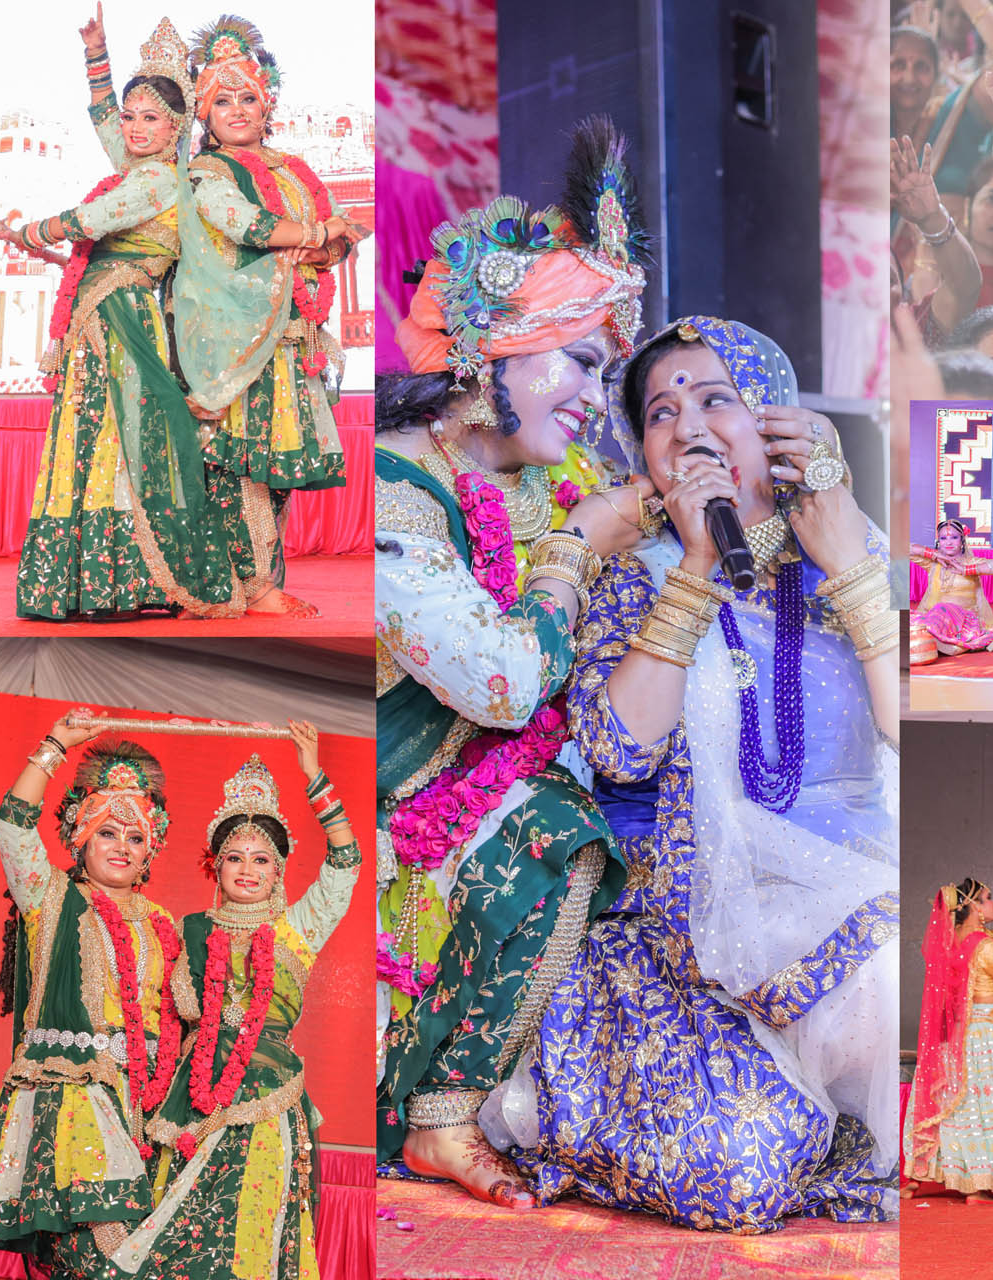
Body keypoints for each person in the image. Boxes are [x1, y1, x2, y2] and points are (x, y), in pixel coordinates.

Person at [492, 313, 900, 1231]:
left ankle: (838, 1126)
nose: (687, 427)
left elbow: (907, 731)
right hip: (679, 937)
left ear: (779, 423)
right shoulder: (634, 576)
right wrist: (699, 567)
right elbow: (619, 750)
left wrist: (849, 567)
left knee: (890, 987)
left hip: (844, 901)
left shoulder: (848, 548)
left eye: (716, 399)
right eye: (661, 413)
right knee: (736, 1171)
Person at [374, 123, 651, 1207]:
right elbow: (503, 682)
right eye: (581, 361)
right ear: (496, 348)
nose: (594, 396)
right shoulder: (396, 491)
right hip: (401, 805)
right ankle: (439, 1115)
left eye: (605, 372)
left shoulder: (540, 475)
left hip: (508, 776)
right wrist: (578, 548)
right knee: (558, 833)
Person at [0, 17, 342, 620]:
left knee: (138, 443)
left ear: (177, 126)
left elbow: (88, 219)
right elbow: (115, 139)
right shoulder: (183, 173)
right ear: (203, 115)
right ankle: (142, 581)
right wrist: (96, 57)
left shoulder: (168, 177)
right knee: (134, 445)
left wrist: (23, 232)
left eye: (151, 117)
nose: (134, 127)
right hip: (148, 323)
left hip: (184, 324)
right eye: (131, 117)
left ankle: (132, 578)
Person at [56, 730, 361, 1279]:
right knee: (173, 1222)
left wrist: (314, 774)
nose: (248, 869)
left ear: (279, 871)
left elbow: (346, 862)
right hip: (189, 1101)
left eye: (262, 860)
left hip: (265, 1097)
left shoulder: (297, 929)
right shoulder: (188, 930)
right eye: (234, 858)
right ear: (214, 867)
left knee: (250, 1221)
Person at [0, 714, 186, 1261]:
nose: (121, 846)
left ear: (150, 850)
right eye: (107, 832)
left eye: (135, 837)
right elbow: (13, 824)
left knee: (127, 1253)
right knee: (100, 1250)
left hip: (146, 1105)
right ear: (79, 836)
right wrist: (56, 745)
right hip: (74, 1095)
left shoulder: (164, 924)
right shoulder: (50, 897)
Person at [176, 16, 368, 616]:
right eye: (221, 100)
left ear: (268, 104)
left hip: (292, 339)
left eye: (247, 98)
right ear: (203, 114)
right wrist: (316, 234)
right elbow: (245, 225)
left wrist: (323, 241)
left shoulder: (293, 171)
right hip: (234, 340)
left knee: (276, 466)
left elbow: (342, 236)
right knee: (235, 464)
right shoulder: (208, 173)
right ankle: (251, 586)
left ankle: (260, 580)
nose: (236, 110)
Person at [901, 881, 993, 1201]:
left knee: (956, 1108)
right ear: (973, 906)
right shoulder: (984, 947)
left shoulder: (952, 941)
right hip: (986, 1036)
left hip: (960, 1036)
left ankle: (918, 1177)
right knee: (985, 1108)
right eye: (988, 898)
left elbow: (984, 946)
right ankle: (978, 1185)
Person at [911, 518, 993, 653]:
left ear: (962, 541)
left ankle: (927, 639)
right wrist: (933, 554)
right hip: (935, 618)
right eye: (943, 538)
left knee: (942, 609)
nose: (948, 542)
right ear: (938, 542)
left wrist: (966, 569)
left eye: (954, 537)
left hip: (964, 623)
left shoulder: (971, 562)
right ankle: (928, 638)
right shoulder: (933, 564)